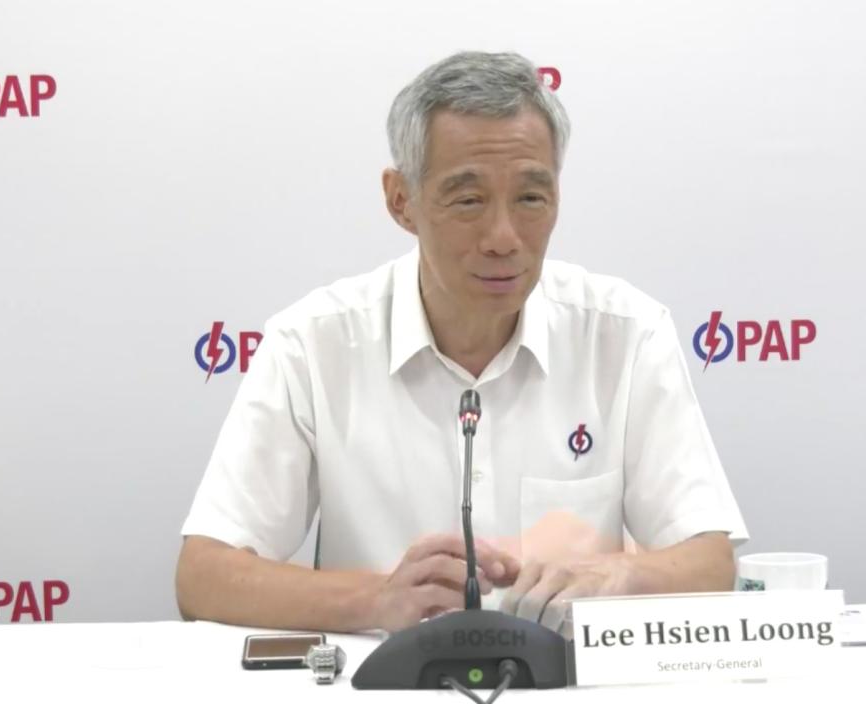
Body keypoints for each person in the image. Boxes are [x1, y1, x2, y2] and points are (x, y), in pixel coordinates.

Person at [175, 51, 747, 636]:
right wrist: (376, 600)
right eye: (468, 200)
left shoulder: (625, 333)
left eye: (530, 198)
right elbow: (204, 576)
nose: (504, 238)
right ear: (402, 201)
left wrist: (620, 578)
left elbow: (709, 559)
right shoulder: (313, 343)